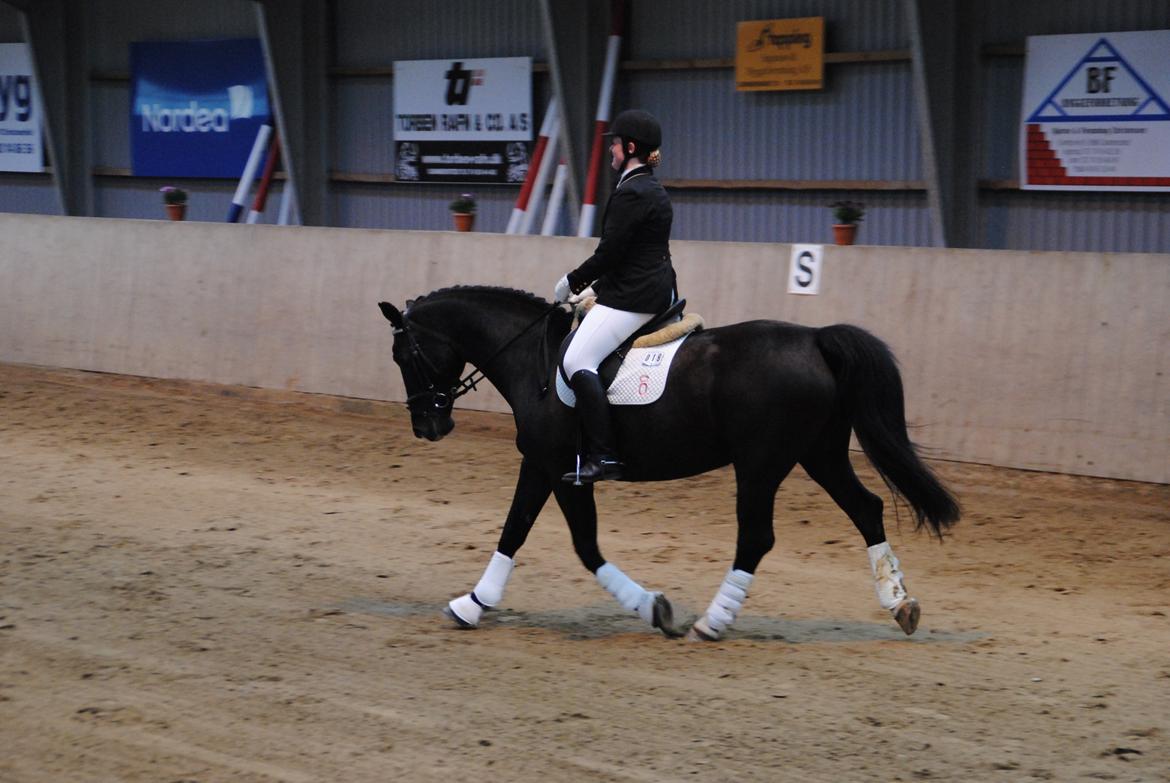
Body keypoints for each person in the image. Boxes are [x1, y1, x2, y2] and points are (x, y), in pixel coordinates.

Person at [553, 109, 676, 484]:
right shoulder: (651, 188)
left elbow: (609, 254)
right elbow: (632, 254)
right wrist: (596, 289)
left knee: (576, 358)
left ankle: (603, 456)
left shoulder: (631, 193)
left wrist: (572, 281)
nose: (611, 149)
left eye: (616, 144)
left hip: (636, 296)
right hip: (652, 286)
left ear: (631, 148)